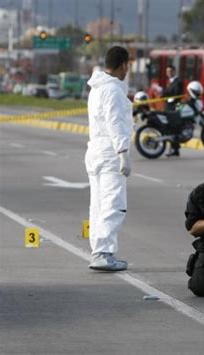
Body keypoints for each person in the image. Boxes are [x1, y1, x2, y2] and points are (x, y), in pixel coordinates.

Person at [85, 46, 132, 271]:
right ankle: (103, 253)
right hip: (110, 152)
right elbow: (115, 122)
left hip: (95, 151)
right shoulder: (112, 90)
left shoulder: (96, 88)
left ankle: (99, 250)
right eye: (128, 66)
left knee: (98, 206)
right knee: (113, 204)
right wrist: (123, 153)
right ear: (123, 64)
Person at [162, 64, 184, 157]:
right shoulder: (170, 81)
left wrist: (165, 93)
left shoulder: (178, 81)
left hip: (173, 108)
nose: (169, 73)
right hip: (168, 107)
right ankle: (174, 149)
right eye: (167, 72)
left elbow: (175, 92)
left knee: (173, 128)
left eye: (170, 71)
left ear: (174, 71)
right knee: (170, 128)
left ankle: (175, 149)